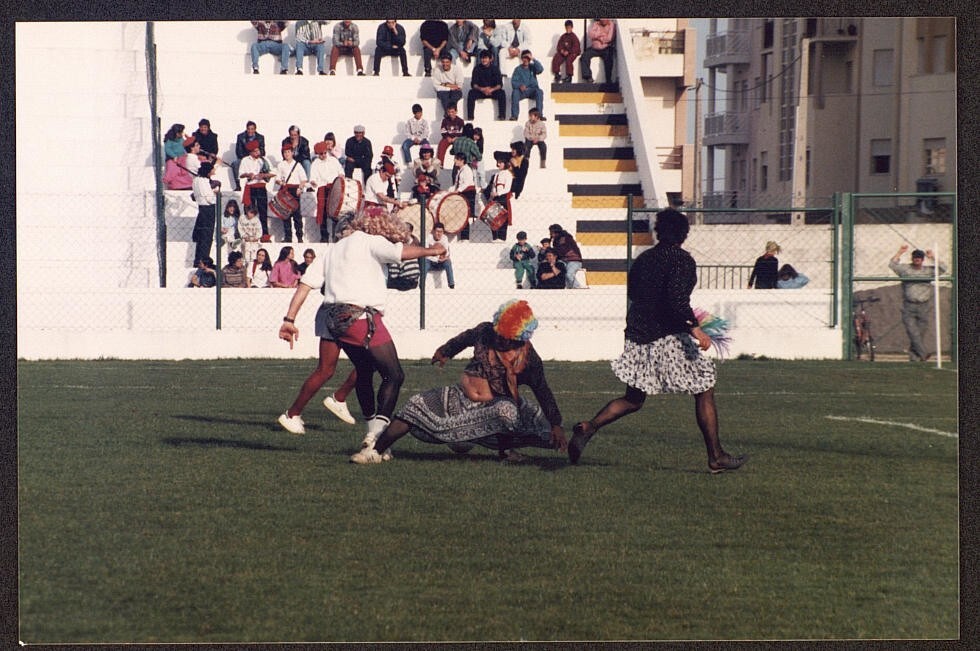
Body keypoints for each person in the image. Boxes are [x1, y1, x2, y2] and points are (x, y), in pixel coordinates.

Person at [567, 208, 747, 473]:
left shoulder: (644, 259)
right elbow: (676, 300)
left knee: (634, 398)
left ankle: (589, 427)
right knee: (705, 385)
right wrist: (695, 328)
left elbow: (637, 294)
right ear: (684, 234)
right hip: (666, 335)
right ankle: (716, 456)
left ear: (658, 232)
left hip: (638, 335)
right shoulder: (682, 260)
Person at [276, 206, 446, 442]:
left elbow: (304, 285)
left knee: (364, 369)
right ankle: (376, 435)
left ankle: (349, 411)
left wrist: (289, 320)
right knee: (394, 375)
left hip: (331, 317)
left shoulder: (332, 249)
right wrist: (433, 250)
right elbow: (401, 253)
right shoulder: (369, 241)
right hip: (359, 317)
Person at [350, 299, 568, 464]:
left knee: (508, 412)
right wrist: (445, 351)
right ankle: (375, 451)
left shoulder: (529, 359)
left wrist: (556, 424)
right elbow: (464, 338)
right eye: (499, 333)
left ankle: (502, 449)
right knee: (416, 403)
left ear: (520, 337)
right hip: (460, 397)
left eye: (506, 337)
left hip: (493, 408)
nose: (500, 339)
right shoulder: (485, 331)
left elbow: (542, 390)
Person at [889, 245, 947, 362]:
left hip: (923, 305)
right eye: (915, 257)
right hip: (909, 305)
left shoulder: (928, 271)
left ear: (922, 259)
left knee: (920, 333)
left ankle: (914, 358)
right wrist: (900, 252)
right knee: (912, 331)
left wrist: (933, 257)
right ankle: (923, 354)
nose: (917, 259)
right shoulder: (906, 269)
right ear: (912, 258)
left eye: (919, 257)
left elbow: (944, 268)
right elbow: (892, 264)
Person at [238, 140, 276, 243]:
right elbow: (241, 174)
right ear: (250, 152)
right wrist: (248, 174)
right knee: (250, 211)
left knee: (263, 211)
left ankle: (264, 234)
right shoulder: (245, 160)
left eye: (258, 150)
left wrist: (263, 175)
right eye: (255, 151)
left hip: (261, 187)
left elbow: (273, 173)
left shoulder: (263, 160)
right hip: (251, 187)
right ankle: (249, 235)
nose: (257, 152)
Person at [309, 140, 345, 242]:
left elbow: (341, 172)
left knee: (336, 211)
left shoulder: (333, 160)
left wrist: (341, 175)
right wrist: (313, 182)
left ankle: (336, 235)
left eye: (325, 153)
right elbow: (313, 177)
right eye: (321, 154)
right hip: (322, 188)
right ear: (317, 154)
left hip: (334, 188)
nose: (323, 155)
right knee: (322, 212)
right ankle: (324, 235)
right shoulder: (315, 163)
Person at [273, 143, 309, 243]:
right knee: (285, 214)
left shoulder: (297, 165)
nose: (287, 154)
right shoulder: (281, 165)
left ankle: (299, 237)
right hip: (285, 190)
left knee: (297, 215)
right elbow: (277, 179)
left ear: (292, 153)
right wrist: (281, 182)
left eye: (288, 152)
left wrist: (300, 189)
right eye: (285, 152)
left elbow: (303, 180)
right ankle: (288, 237)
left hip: (295, 190)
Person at [191, 162, 219, 266]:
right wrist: (214, 193)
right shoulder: (204, 182)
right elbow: (209, 199)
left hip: (201, 208)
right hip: (208, 209)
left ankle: (198, 259)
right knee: (207, 236)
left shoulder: (196, 180)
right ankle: (204, 260)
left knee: (201, 237)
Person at [466, 50, 506, 121]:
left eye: (486, 58)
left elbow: (500, 84)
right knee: (471, 93)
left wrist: (491, 89)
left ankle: (502, 116)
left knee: (502, 93)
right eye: (482, 58)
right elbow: (474, 84)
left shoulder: (495, 69)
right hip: (481, 91)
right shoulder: (477, 69)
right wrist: (482, 89)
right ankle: (470, 117)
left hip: (492, 91)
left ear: (490, 59)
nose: (484, 60)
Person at [483, 150, 514, 241]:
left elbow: (507, 188)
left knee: (502, 219)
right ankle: (495, 237)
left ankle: (502, 237)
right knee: (493, 219)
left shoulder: (508, 174)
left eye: (501, 162)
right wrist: (492, 195)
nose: (499, 164)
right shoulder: (496, 174)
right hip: (495, 199)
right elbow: (493, 186)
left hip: (503, 198)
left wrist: (498, 193)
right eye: (498, 162)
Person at [510, 50, 545, 121]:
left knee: (539, 92)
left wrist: (533, 59)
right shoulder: (518, 69)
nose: (526, 60)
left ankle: (539, 115)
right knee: (515, 93)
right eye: (524, 58)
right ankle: (514, 116)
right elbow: (513, 82)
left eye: (528, 58)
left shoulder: (533, 67)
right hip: (522, 91)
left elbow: (540, 69)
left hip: (532, 90)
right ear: (521, 58)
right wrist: (520, 85)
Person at [450, 152, 478, 240]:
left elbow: (466, 183)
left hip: (468, 194)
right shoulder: (460, 170)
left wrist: (458, 190)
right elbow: (457, 183)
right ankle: (462, 236)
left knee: (465, 214)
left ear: (462, 160)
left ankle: (465, 237)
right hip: (462, 193)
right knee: (461, 215)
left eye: (456, 159)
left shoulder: (467, 170)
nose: (454, 160)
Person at [232, 121, 265, 191]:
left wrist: (256, 154)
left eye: (252, 129)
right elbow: (238, 151)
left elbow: (263, 151)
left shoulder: (260, 137)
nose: (250, 131)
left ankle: (262, 182)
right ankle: (238, 185)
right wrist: (249, 156)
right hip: (245, 157)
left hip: (256, 157)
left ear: (255, 129)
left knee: (265, 163)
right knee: (235, 163)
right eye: (248, 129)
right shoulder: (240, 137)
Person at [580, 18, 616, 83]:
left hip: (606, 48)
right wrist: (602, 35)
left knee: (609, 59)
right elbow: (591, 34)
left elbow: (609, 38)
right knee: (585, 56)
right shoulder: (596, 24)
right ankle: (588, 77)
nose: (603, 20)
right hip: (595, 48)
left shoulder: (611, 25)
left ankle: (608, 79)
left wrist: (597, 37)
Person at [549, 223, 584, 288]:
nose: (551, 234)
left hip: (574, 261)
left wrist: (551, 250)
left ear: (556, 232)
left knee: (569, 275)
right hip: (564, 260)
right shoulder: (556, 241)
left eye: (551, 232)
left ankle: (578, 288)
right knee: (558, 272)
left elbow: (563, 251)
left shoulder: (565, 238)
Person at [422, 222, 455, 289]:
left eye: (441, 231)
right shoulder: (428, 237)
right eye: (437, 231)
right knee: (425, 261)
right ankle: (422, 285)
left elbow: (447, 252)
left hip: (440, 263)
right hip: (430, 263)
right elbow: (425, 253)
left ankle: (451, 285)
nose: (439, 233)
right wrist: (437, 258)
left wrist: (443, 258)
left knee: (448, 262)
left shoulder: (444, 238)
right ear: (433, 231)